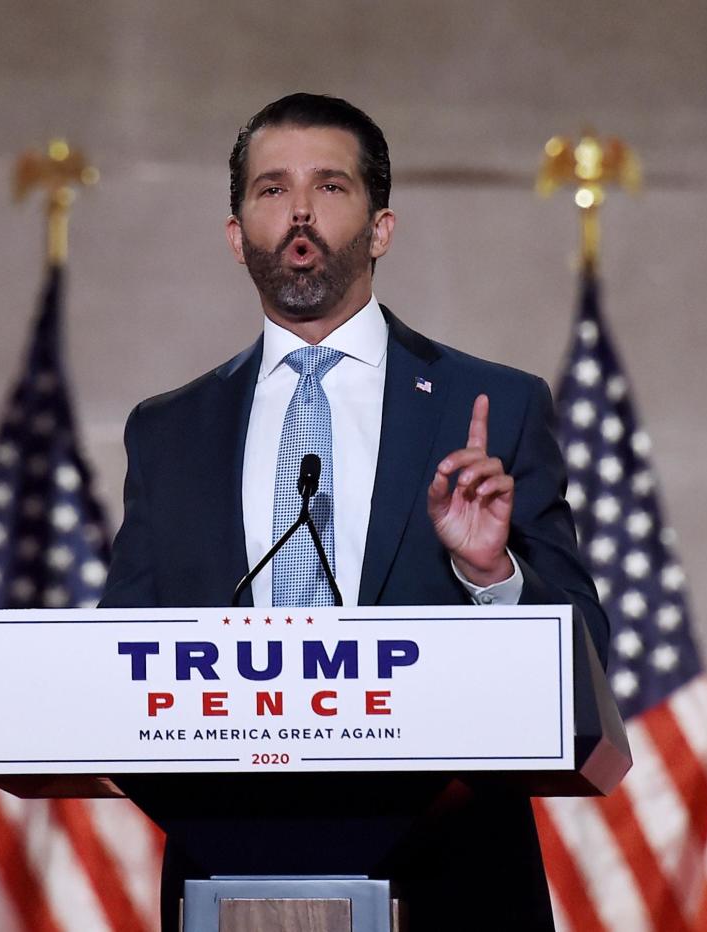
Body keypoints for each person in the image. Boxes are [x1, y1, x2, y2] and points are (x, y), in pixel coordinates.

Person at [101, 92, 608, 931]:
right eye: (270, 190)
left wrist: (493, 573)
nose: (299, 210)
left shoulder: (491, 406)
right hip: (230, 873)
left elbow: (583, 652)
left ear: (380, 228)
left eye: (330, 187)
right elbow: (126, 652)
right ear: (236, 237)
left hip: (454, 877)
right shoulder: (169, 432)